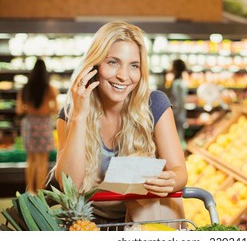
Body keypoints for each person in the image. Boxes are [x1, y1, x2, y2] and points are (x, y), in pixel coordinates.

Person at [53, 21, 188, 223]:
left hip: (146, 225)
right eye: (113, 62)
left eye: (134, 66)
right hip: (91, 226)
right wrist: (80, 115)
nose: (123, 76)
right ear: (94, 65)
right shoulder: (71, 114)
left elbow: (180, 172)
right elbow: (69, 186)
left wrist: (171, 181)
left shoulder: (155, 105)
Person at [16, 58, 59, 194]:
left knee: (31, 160)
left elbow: (19, 110)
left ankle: (30, 191)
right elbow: (56, 108)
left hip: (29, 124)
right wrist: (46, 110)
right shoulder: (50, 88)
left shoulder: (25, 88)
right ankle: (40, 192)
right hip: (44, 124)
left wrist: (30, 110)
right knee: (42, 160)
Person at [170, 59, 188, 149]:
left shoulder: (178, 83)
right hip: (179, 113)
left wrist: (173, 113)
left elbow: (179, 101)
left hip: (177, 114)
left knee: (178, 136)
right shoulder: (180, 82)